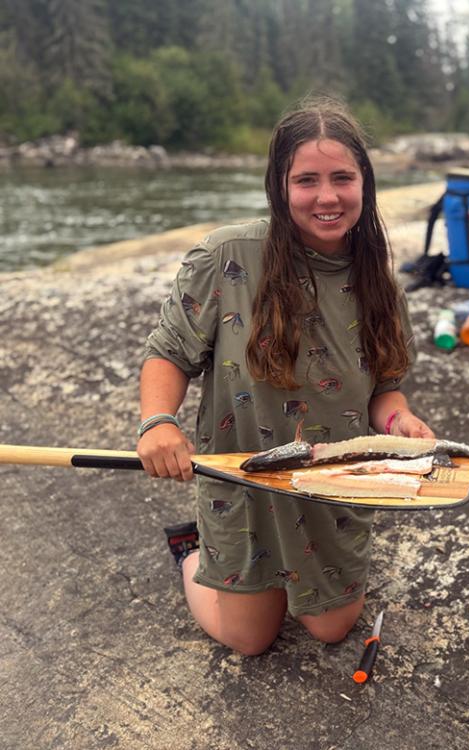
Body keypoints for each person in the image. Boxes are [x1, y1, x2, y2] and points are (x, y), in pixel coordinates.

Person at [137, 95, 432, 656]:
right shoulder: (228, 255)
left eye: (342, 178)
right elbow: (169, 353)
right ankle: (192, 553)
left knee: (331, 628)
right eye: (307, 180)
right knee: (249, 640)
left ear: (365, 184)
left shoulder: (380, 282)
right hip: (241, 476)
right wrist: (157, 423)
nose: (327, 197)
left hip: (330, 482)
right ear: (279, 185)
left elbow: (385, 386)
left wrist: (401, 419)